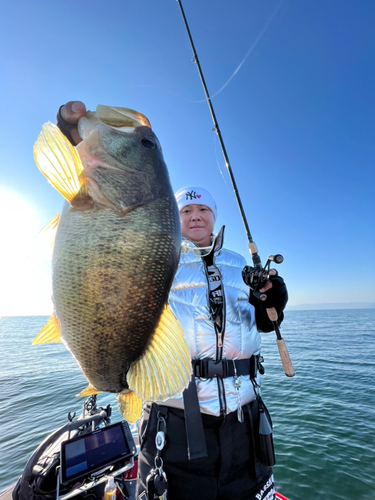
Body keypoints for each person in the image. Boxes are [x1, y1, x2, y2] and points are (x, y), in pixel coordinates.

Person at [57, 102, 288, 500]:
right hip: (174, 422)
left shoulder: (241, 267)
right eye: (185, 209)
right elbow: (107, 267)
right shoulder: (155, 251)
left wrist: (272, 303)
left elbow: (263, 324)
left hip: (245, 426)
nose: (195, 216)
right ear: (170, 214)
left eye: (203, 209)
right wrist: (73, 136)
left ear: (214, 217)